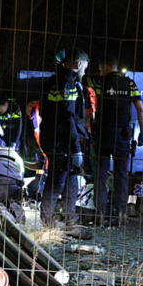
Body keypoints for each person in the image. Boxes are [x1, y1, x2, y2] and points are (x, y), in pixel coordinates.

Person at [38, 48, 90, 225]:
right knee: (56, 183)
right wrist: (76, 148)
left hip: (58, 138)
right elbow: (68, 118)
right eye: (85, 67)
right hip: (62, 141)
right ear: (78, 64)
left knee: (71, 183)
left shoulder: (55, 80)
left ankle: (71, 222)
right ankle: (48, 223)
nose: (85, 71)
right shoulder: (67, 83)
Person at [92, 55, 143, 224]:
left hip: (102, 134)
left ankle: (100, 213)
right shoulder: (130, 83)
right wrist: (142, 133)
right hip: (122, 135)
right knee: (120, 174)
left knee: (100, 174)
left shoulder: (98, 83)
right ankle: (120, 214)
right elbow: (140, 109)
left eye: (101, 69)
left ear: (105, 67)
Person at [0, 145, 26, 224]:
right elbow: (21, 175)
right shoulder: (17, 157)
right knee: (14, 204)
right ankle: (19, 224)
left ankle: (0, 222)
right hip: (14, 183)